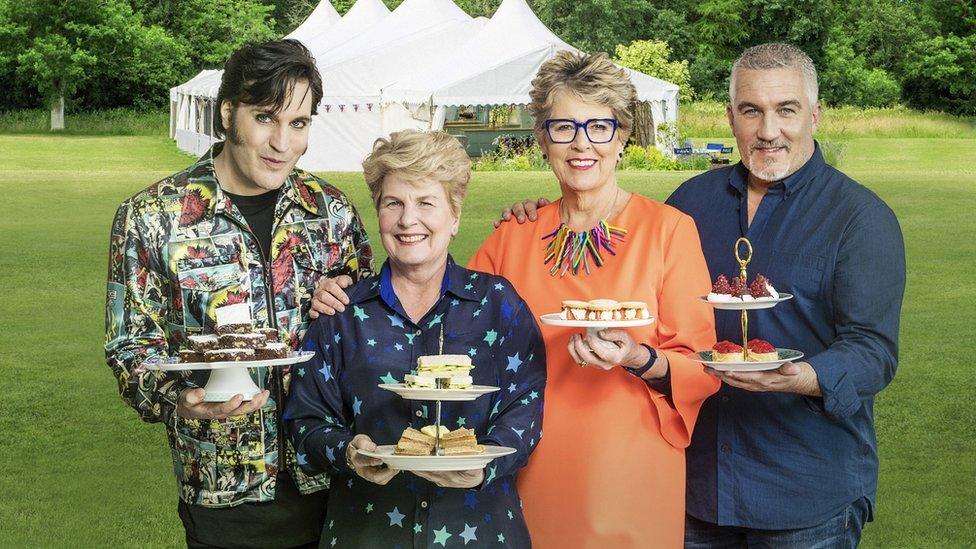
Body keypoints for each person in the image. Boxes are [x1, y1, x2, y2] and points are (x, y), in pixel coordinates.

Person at [499, 43, 906, 547]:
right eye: (751, 111)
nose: (768, 130)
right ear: (731, 117)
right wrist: (541, 216)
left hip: (805, 488)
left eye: (787, 110)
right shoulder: (692, 203)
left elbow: (873, 351)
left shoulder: (860, 218)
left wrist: (804, 376)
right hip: (698, 491)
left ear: (815, 115)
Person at [311, 52, 719, 547]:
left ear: (623, 134)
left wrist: (638, 357)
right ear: (543, 138)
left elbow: (702, 366)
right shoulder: (515, 234)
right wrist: (345, 295)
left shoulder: (669, 232)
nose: (581, 143)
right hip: (519, 470)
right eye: (563, 127)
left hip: (628, 467)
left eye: (600, 126)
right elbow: (435, 313)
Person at [104, 39, 373, 548]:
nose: (282, 143)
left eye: (299, 124)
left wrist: (345, 302)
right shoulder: (152, 217)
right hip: (226, 494)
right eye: (265, 118)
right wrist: (178, 398)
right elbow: (129, 347)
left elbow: (373, 331)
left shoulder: (333, 214)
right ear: (228, 113)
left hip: (338, 484)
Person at [285, 129, 546, 547]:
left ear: (455, 216)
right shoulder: (341, 311)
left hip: (479, 533)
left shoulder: (499, 303)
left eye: (426, 202)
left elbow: (525, 409)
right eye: (394, 203)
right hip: (366, 533)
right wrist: (348, 451)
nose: (409, 220)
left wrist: (484, 465)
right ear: (379, 212)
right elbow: (305, 420)